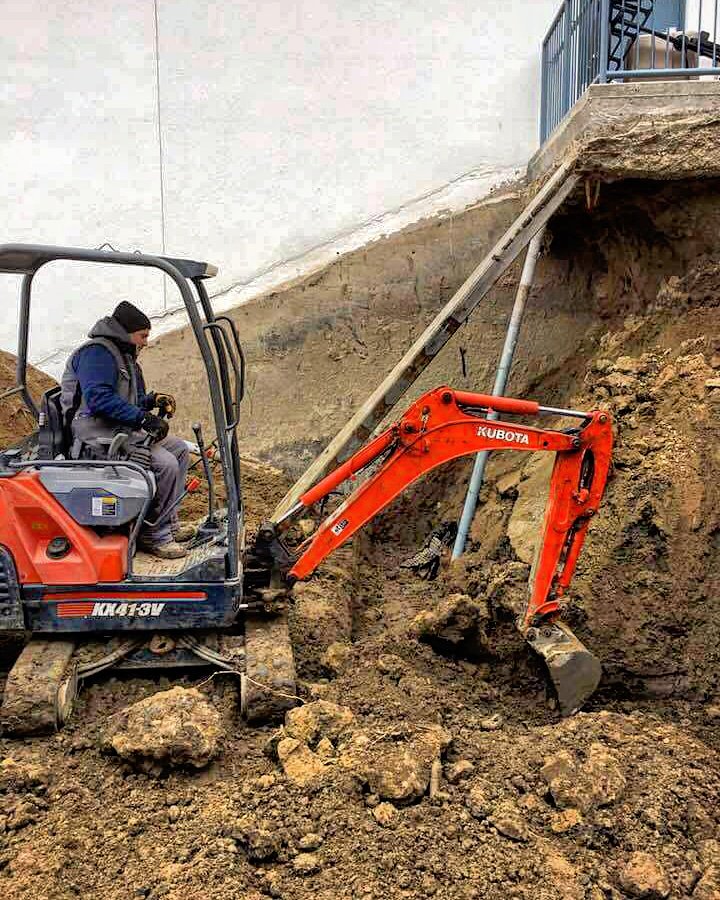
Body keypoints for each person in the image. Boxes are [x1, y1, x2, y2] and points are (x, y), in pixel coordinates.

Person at [60, 301, 194, 560]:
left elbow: (126, 399)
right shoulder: (97, 354)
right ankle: (154, 535)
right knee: (164, 464)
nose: (145, 342)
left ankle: (167, 524)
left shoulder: (123, 355)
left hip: (116, 429)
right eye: (143, 336)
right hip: (95, 435)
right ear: (125, 332)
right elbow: (99, 399)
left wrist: (151, 401)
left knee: (178, 450)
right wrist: (143, 419)